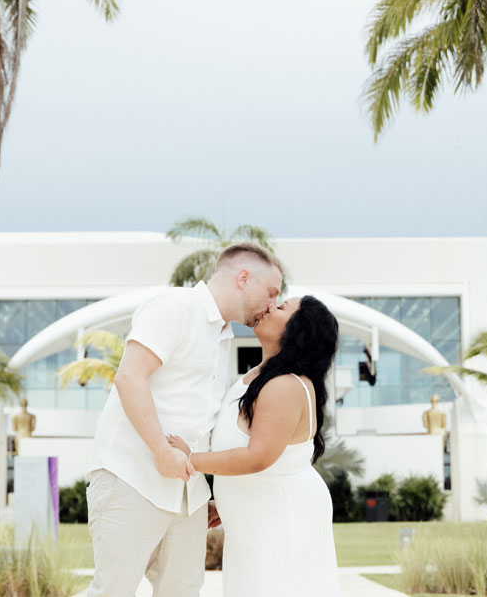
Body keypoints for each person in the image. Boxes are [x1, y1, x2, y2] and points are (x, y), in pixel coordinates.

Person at [86, 243, 283, 597]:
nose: (272, 304)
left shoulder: (221, 335)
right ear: (243, 278)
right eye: (271, 292)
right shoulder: (175, 307)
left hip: (188, 496)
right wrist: (162, 451)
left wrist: (210, 493)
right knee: (112, 591)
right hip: (132, 479)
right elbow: (129, 377)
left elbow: (198, 417)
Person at [169, 295, 341, 597]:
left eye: (283, 306)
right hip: (256, 520)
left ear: (300, 329)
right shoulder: (256, 378)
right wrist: (227, 500)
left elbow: (258, 457)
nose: (271, 306)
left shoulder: (285, 385)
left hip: (282, 520)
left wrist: (190, 458)